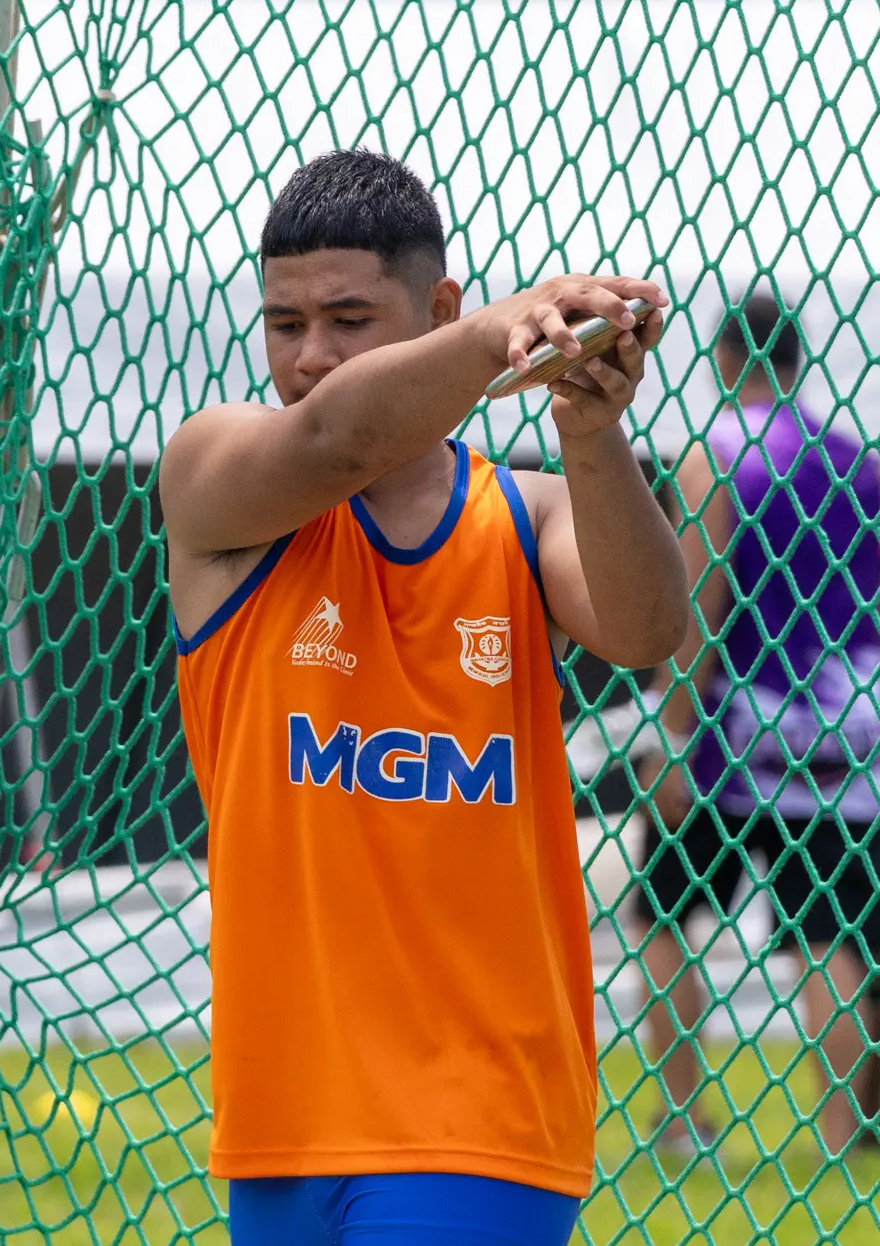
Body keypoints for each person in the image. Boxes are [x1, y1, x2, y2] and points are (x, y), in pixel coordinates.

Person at [161, 150, 688, 1245]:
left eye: (349, 318)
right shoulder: (218, 472)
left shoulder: (527, 516)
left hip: (476, 1116)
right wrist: (506, 333)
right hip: (282, 1125)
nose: (309, 356)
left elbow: (647, 632)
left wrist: (590, 433)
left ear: (434, 304)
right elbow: (337, 435)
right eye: (283, 323)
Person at [629, 292, 880, 1162]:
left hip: (731, 730)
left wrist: (669, 734)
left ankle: (682, 1121)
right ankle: (842, 1133)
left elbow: (696, 603)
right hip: (842, 726)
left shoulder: (716, 456)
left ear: (723, 358)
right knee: (831, 938)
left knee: (667, 918)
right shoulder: (864, 462)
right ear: (796, 360)